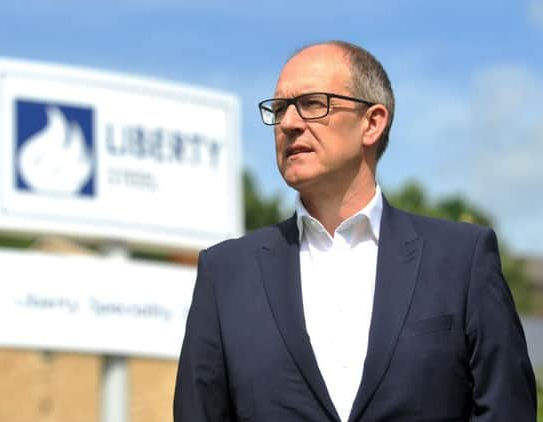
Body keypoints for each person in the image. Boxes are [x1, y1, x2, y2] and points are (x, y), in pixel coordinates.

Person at [173, 40, 537, 421]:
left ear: (372, 123)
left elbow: (508, 410)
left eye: (313, 104)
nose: (288, 123)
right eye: (279, 109)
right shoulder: (227, 272)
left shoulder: (462, 258)